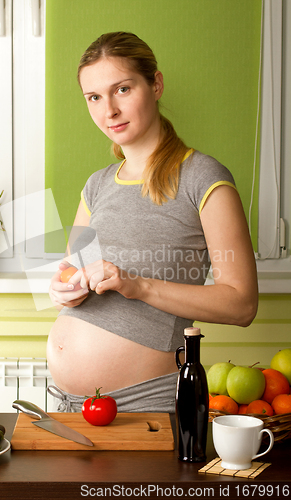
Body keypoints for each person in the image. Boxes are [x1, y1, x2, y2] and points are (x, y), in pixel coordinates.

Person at [47, 32, 258, 413]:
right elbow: (70, 271)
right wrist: (63, 288)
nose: (108, 110)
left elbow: (242, 304)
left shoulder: (202, 177)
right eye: (93, 97)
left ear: (155, 85)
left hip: (142, 407)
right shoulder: (96, 185)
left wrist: (138, 285)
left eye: (122, 89)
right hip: (68, 407)